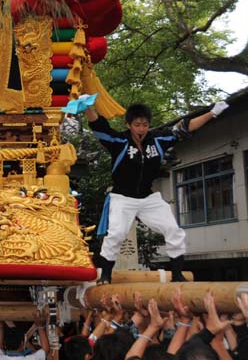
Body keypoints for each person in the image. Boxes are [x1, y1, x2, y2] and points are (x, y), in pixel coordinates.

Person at [85, 100, 229, 284]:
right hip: (122, 197)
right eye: (137, 125)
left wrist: (212, 113)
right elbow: (100, 126)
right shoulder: (119, 142)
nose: (141, 129)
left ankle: (177, 275)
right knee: (117, 234)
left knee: (173, 229)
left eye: (145, 125)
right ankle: (106, 275)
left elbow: (185, 127)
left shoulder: (158, 140)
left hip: (148, 198)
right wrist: (87, 108)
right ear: (128, 125)